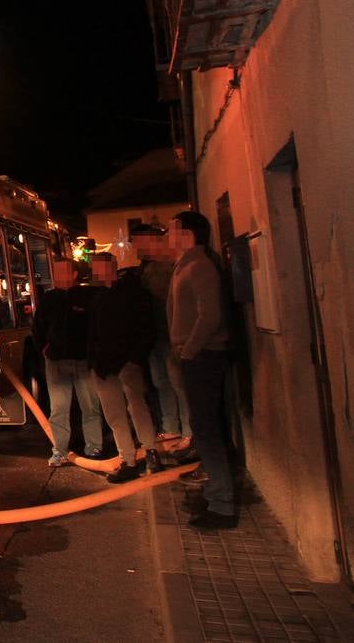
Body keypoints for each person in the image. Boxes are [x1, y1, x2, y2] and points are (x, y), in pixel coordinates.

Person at [168, 210, 236, 529]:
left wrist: (189, 350)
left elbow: (210, 316)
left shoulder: (200, 266)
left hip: (204, 357)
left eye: (172, 230)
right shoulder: (188, 264)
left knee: (206, 428)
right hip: (198, 357)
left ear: (188, 233)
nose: (168, 237)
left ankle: (222, 505)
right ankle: (215, 494)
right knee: (203, 426)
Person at [87, 253, 162, 483]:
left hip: (126, 362)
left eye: (101, 267)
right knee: (115, 414)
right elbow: (92, 331)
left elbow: (145, 326)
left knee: (136, 407)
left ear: (112, 266)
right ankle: (128, 458)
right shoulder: (98, 296)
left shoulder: (132, 292)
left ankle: (150, 451)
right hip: (104, 364)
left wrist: (135, 359)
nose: (98, 272)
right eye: (95, 268)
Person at [32, 257, 106, 466]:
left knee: (90, 407)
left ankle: (94, 448)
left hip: (83, 362)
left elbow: (96, 326)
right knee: (59, 410)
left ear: (74, 274)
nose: (58, 276)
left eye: (63, 271)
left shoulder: (88, 296)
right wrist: (46, 349)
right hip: (56, 362)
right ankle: (60, 451)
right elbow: (38, 327)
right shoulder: (49, 298)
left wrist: (93, 352)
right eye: (55, 272)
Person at [131, 223, 193, 447]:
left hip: (170, 334)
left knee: (178, 384)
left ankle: (188, 431)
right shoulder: (147, 266)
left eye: (136, 242)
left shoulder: (171, 265)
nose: (134, 247)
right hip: (154, 335)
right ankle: (170, 428)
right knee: (161, 383)